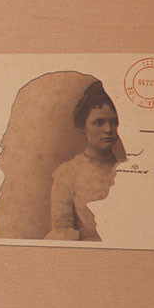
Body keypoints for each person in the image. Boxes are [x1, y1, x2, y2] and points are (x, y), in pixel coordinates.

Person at [44, 81, 123, 241]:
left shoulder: (131, 169)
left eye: (114, 122)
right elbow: (62, 229)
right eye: (99, 122)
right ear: (83, 127)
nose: (108, 129)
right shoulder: (67, 174)